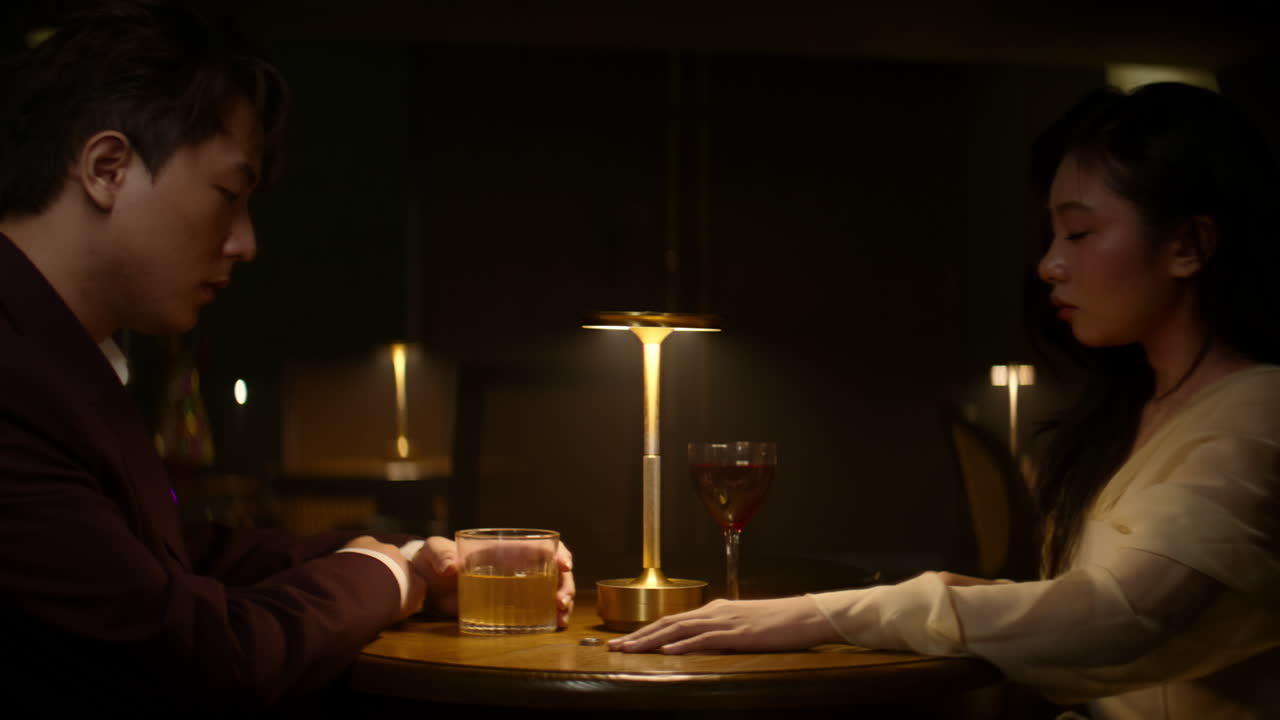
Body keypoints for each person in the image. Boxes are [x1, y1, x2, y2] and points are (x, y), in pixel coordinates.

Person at [610, 82, 1280, 719]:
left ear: (1188, 246)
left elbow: (1120, 615)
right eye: (1051, 236)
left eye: (1078, 234)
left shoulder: (1259, 413)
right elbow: (1070, 603)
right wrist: (841, 606)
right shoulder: (1146, 408)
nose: (1050, 264)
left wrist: (826, 614)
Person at [0, 1, 574, 712]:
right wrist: (383, 579)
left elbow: (177, 556)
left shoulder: (57, 352)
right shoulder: (15, 378)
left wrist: (414, 556)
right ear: (107, 167)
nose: (244, 242)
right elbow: (193, 658)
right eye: (226, 195)